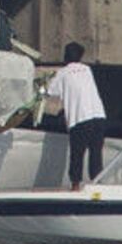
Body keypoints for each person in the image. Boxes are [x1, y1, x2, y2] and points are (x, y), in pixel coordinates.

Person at [46, 41, 107, 191]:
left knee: (77, 154)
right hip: (99, 115)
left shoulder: (63, 72)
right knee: (96, 153)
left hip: (80, 118)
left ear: (65, 56)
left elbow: (51, 91)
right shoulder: (87, 70)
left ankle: (75, 186)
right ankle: (97, 186)